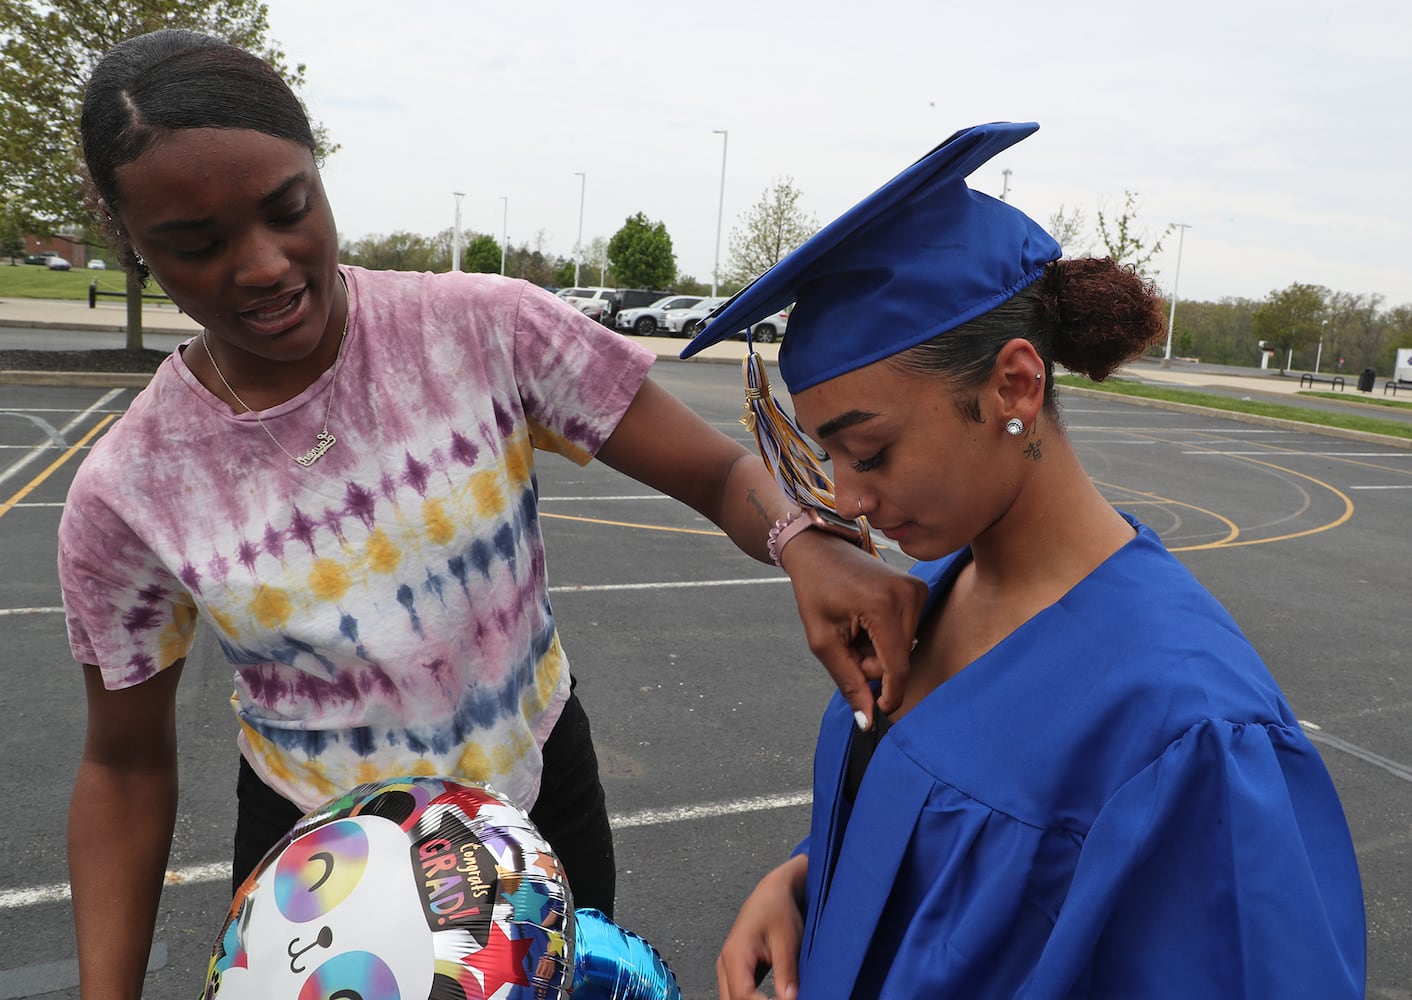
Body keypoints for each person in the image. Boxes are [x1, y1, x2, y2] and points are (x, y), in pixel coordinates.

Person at [60, 29, 926, 999]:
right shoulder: (128, 488)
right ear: (131, 241)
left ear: (318, 171)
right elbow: (124, 767)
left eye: (287, 208)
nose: (262, 264)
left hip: (536, 802)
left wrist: (801, 537)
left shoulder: (484, 329)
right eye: (198, 243)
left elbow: (721, 475)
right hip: (321, 875)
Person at [692, 122, 1366, 998]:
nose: (846, 502)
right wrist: (802, 882)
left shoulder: (1189, 725)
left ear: (1015, 384)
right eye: (830, 459)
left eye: (872, 451)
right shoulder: (920, 598)